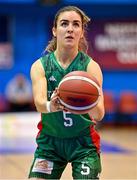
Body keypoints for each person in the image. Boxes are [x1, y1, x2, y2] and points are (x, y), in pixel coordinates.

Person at [28, 5, 105, 180]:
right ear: (54, 31)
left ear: (82, 32)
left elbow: (99, 114)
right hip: (50, 144)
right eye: (64, 24)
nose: (70, 28)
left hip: (83, 143)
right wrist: (51, 105)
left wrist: (84, 102)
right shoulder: (40, 66)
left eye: (76, 24)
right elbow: (39, 103)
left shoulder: (90, 67)